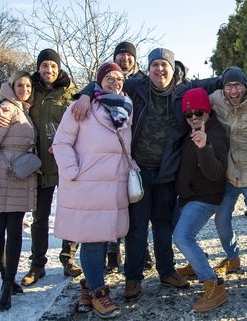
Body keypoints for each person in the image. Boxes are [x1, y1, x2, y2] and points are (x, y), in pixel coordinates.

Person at [71, 48, 226, 302]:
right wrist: (86, 96)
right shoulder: (135, 86)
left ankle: (167, 271)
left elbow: (218, 80)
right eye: (155, 64)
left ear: (172, 68)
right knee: (137, 228)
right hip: (138, 170)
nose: (159, 69)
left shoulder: (183, 90)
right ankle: (133, 278)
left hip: (166, 171)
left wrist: (246, 82)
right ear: (149, 68)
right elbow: (102, 81)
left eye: (164, 64)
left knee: (164, 224)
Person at [0, 49, 82, 286]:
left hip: (66, 161)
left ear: (58, 68)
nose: (48, 70)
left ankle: (68, 259)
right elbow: (4, 99)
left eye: (52, 66)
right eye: (44, 66)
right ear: (38, 68)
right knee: (40, 218)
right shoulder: (29, 89)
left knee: (70, 212)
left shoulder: (70, 91)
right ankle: (38, 265)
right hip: (37, 166)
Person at [53, 62, 135, 319]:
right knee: (92, 240)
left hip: (114, 184)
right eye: (109, 78)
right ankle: (100, 293)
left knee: (102, 238)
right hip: (86, 185)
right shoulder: (82, 107)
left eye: (119, 79)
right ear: (99, 81)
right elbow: (61, 141)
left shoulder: (126, 108)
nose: (115, 83)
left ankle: (88, 287)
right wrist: (72, 171)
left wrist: (131, 166)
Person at [209, 66, 247, 306]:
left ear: (246, 87)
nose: (233, 90)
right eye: (228, 86)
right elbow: (190, 89)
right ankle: (233, 257)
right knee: (221, 219)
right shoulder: (216, 99)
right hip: (227, 175)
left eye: (238, 86)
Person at [0, 71, 38, 311]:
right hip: (2, 176)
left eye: (28, 85)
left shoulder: (23, 109)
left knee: (13, 229)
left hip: (19, 177)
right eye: (20, 85)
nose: (24, 88)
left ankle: (8, 280)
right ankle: (7, 282)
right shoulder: (6, 109)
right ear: (11, 86)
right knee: (0, 227)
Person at [172, 87, 229, 312]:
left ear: (207, 111)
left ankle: (213, 285)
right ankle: (196, 263)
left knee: (183, 236)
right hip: (187, 195)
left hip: (206, 197)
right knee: (178, 231)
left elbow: (216, 173)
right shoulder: (188, 130)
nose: (194, 118)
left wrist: (204, 147)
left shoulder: (215, 134)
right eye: (188, 114)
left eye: (199, 113)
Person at [105, 41, 149, 274]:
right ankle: (113, 253)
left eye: (128, 55)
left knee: (137, 205)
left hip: (138, 150)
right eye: (121, 55)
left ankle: (143, 252)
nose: (125, 59)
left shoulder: (144, 78)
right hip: (112, 153)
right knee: (115, 205)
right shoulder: (108, 77)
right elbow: (91, 91)